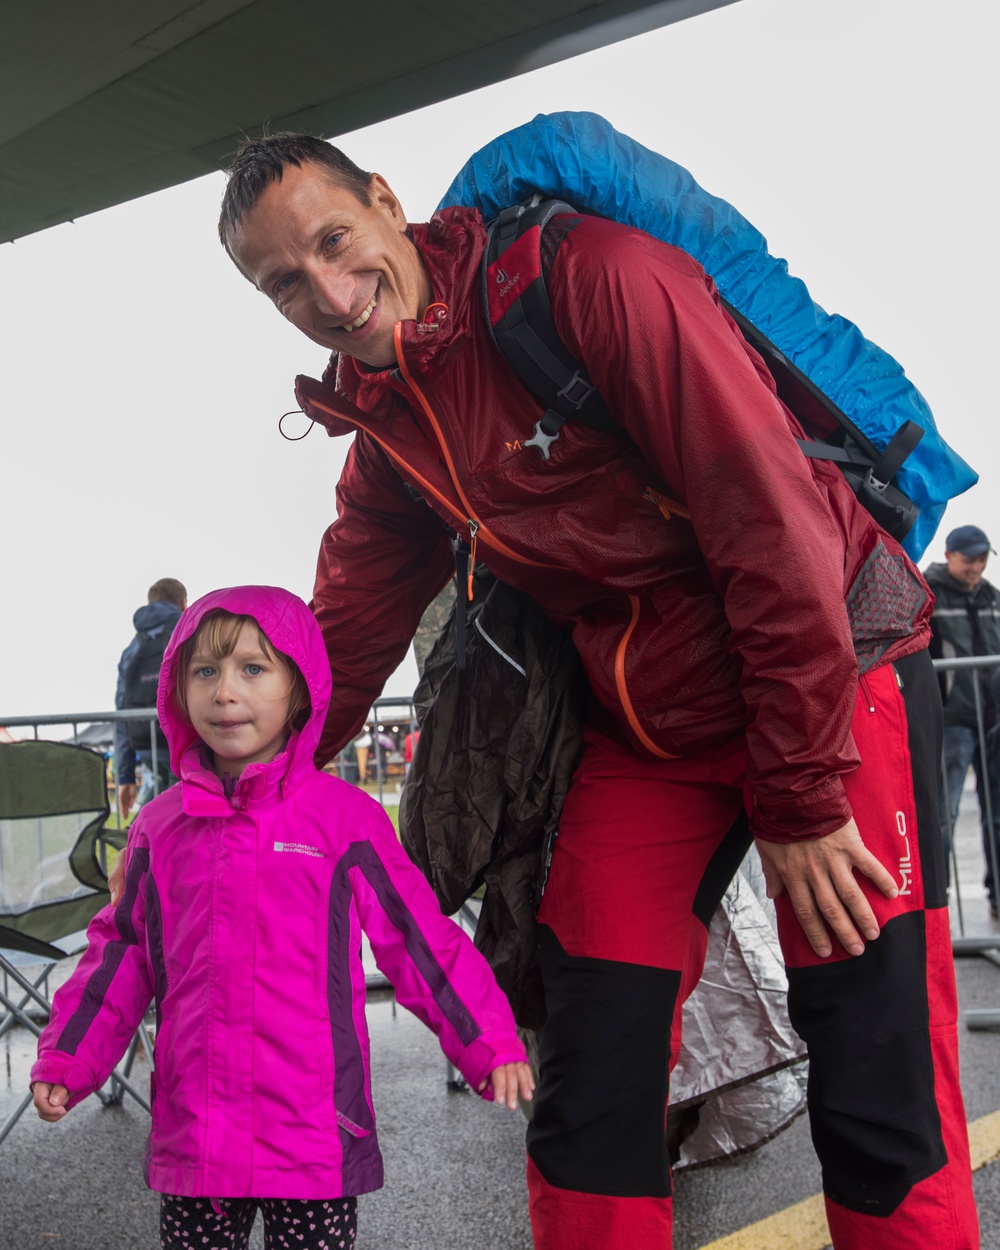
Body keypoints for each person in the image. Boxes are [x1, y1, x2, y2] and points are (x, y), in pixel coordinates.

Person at [202, 134, 980, 1249]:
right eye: (283, 282)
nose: (326, 291)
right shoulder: (386, 426)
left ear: (384, 202)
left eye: (334, 242)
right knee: (591, 1061)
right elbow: (342, 635)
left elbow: (772, 524)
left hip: (828, 672)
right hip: (646, 724)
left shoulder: (593, 278)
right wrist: (231, 796)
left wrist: (801, 792)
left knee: (874, 1057)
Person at [34, 585, 532, 1250]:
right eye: (204, 671)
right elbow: (120, 956)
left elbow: (418, 940)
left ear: (300, 690)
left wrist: (488, 1038)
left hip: (314, 1135)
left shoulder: (343, 820)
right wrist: (68, 1057)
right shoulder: (159, 828)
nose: (224, 692)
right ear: (178, 690)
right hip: (198, 1138)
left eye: (252, 669)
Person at [925, 525, 1000, 916]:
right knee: (943, 814)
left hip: (993, 722)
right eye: (970, 557)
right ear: (950, 554)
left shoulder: (993, 598)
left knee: (999, 815)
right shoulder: (928, 594)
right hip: (952, 722)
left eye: (983, 558)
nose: (977, 566)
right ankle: (939, 904)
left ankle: (999, 901)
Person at [115, 577, 187, 817]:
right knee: (181, 813)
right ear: (183, 603)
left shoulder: (132, 649)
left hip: (146, 746)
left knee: (160, 802)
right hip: (183, 744)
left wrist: (125, 776)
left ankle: (138, 840)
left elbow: (122, 712)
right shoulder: (187, 630)